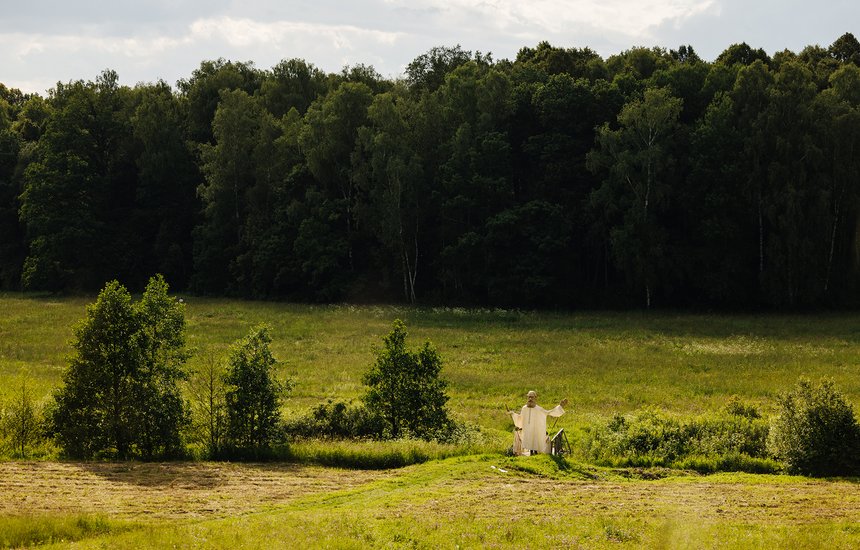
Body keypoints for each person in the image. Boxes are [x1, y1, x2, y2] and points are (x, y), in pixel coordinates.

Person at [508, 391, 568, 455]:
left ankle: (535, 452)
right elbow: (520, 418)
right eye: (529, 397)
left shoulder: (538, 409)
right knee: (529, 439)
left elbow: (548, 412)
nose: (530, 399)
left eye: (532, 397)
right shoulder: (524, 408)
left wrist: (560, 406)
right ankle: (531, 452)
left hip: (536, 429)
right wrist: (513, 414)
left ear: (535, 398)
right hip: (527, 429)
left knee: (535, 438)